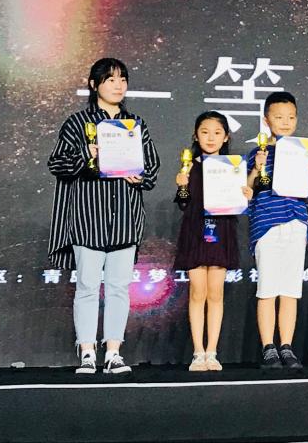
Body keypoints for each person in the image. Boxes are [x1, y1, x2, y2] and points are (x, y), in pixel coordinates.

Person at [48, 57, 160, 375]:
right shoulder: (77, 123)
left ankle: (113, 352)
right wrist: (88, 153)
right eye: (111, 79)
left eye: (123, 79)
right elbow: (57, 163)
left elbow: (151, 168)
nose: (118, 85)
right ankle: (87, 352)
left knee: (118, 288)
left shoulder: (135, 124)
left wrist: (139, 176)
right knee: (86, 286)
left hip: (124, 217)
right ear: (94, 84)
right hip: (88, 217)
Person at [244, 92, 308, 371]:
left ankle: (286, 346)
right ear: (266, 120)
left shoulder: (303, 152)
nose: (285, 122)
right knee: (267, 289)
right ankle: (268, 347)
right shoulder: (258, 153)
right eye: (278, 117)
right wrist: (257, 169)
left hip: (296, 222)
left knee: (290, 289)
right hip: (266, 223)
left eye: (290, 117)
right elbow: (247, 190)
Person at [173, 111, 249, 372]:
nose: (210, 138)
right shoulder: (189, 165)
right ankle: (198, 353)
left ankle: (212, 352)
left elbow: (239, 204)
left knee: (216, 293)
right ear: (196, 135)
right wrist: (182, 185)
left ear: (226, 137)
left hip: (221, 231)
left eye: (217, 133)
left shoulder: (233, 166)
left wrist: (245, 193)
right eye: (204, 132)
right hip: (195, 231)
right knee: (197, 292)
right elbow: (184, 204)